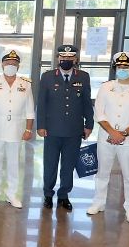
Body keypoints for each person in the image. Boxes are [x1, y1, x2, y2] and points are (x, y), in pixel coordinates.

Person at [87, 52, 129, 224]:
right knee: (102, 172)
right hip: (106, 137)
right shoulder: (106, 87)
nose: (121, 69)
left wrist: (122, 134)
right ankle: (98, 202)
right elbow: (99, 113)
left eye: (125, 67)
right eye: (119, 67)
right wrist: (112, 132)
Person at [37, 45, 94, 211]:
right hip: (52, 130)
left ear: (75, 59)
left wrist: (89, 124)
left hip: (74, 130)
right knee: (50, 164)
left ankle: (64, 195)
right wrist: (41, 125)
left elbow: (87, 102)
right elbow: (42, 103)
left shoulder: (83, 76)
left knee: (68, 165)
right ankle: (48, 194)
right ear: (58, 58)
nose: (66, 60)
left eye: (70, 58)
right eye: (63, 57)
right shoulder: (47, 77)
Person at [0, 50, 34, 208]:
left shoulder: (26, 84)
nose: (11, 65)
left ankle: (12, 194)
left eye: (14, 63)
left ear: (18, 66)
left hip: (16, 131)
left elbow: (30, 110)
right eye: (8, 63)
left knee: (13, 164)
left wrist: (28, 130)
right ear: (2, 64)